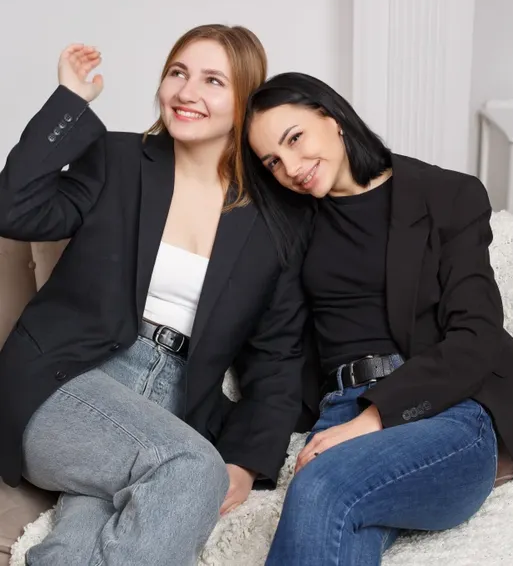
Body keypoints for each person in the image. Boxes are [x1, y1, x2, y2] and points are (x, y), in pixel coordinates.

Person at [0, 28, 312, 566]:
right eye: (177, 73)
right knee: (191, 468)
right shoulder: (117, 159)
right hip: (65, 378)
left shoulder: (273, 219)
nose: (187, 92)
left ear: (245, 101)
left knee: (79, 544)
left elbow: (277, 356)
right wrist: (70, 100)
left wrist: (245, 461)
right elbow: (15, 211)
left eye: (213, 81)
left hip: (173, 403)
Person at [242, 71, 513, 566]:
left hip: (444, 410)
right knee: (335, 523)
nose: (290, 167)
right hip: (339, 410)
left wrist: (374, 418)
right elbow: (274, 348)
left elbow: (477, 334)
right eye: (272, 161)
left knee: (321, 487)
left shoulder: (447, 195)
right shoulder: (290, 225)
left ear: (332, 118)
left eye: (294, 138)